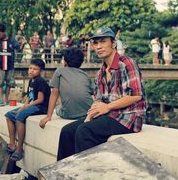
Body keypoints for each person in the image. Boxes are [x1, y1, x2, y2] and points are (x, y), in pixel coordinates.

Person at [56, 26, 146, 161]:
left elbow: (136, 95)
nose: (98, 46)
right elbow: (98, 100)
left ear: (113, 44)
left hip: (128, 117)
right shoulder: (101, 72)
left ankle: (85, 173)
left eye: (103, 41)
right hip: (108, 115)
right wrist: (89, 116)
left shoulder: (127, 63)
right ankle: (62, 174)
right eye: (96, 43)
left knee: (84, 131)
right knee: (67, 131)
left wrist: (108, 107)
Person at [4, 59, 51, 161]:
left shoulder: (40, 82)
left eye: (35, 69)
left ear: (40, 71)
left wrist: (27, 106)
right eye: (30, 68)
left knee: (19, 117)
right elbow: (29, 97)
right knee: (9, 115)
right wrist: (23, 106)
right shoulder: (31, 80)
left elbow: (40, 99)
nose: (31, 71)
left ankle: (20, 149)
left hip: (40, 107)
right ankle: (12, 144)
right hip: (32, 105)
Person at [39, 48, 94, 128]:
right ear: (81, 62)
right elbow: (92, 93)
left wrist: (48, 116)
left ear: (65, 61)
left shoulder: (59, 71)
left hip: (69, 114)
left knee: (58, 108)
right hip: (88, 113)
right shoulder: (85, 75)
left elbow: (54, 94)